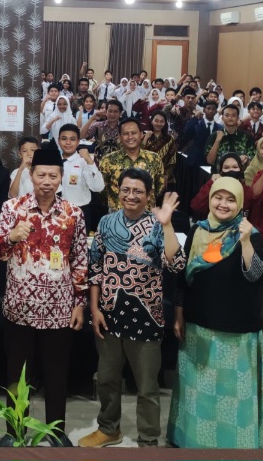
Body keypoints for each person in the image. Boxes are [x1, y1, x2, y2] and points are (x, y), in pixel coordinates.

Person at [0, 147, 87, 448]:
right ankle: (15, 431)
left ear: (61, 178)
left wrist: (79, 303)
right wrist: (11, 237)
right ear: (31, 175)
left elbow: (80, 260)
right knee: (18, 375)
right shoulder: (12, 208)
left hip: (59, 308)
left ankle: (56, 431)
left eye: (53, 176)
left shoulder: (73, 213)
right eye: (41, 175)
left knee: (57, 374)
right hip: (20, 307)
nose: (46, 181)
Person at [167, 178, 263, 448]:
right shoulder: (198, 231)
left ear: (240, 204)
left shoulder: (249, 233)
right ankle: (194, 442)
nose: (223, 204)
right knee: (198, 392)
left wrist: (245, 242)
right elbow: (182, 277)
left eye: (230, 199)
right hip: (198, 327)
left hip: (236, 333)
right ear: (209, 199)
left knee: (231, 396)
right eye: (218, 197)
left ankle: (234, 447)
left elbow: (257, 276)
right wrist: (179, 313)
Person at [80, 169, 171, 448]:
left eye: (138, 191)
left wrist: (167, 225)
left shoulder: (158, 224)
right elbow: (95, 267)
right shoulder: (106, 222)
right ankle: (109, 428)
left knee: (147, 386)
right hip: (109, 313)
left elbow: (176, 264)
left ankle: (148, 439)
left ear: (149, 195)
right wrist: (94, 309)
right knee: (107, 378)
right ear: (118, 191)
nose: (131, 196)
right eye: (126, 190)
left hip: (147, 316)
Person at [99, 118, 166, 211]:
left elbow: (159, 187)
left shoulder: (154, 158)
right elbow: (102, 190)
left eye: (134, 133)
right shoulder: (108, 160)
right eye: (125, 134)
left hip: (145, 214)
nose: (130, 137)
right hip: (118, 214)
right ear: (119, 137)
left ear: (141, 135)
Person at [56, 124, 104, 229]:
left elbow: (98, 187)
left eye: (72, 139)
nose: (68, 143)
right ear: (58, 140)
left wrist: (90, 161)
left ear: (78, 141)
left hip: (80, 212)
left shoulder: (83, 162)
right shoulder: (53, 161)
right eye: (64, 139)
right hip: (56, 212)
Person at [191, 153, 253, 220]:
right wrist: (211, 183)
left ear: (240, 169)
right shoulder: (215, 186)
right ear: (221, 171)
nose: (231, 170)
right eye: (226, 167)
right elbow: (196, 206)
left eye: (235, 167)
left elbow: (249, 213)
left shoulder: (246, 190)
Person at [205, 104, 254, 172]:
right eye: (227, 115)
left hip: (241, 176)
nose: (230, 118)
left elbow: (252, 161)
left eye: (233, 115)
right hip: (219, 175)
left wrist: (246, 158)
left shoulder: (246, 137)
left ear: (238, 118)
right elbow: (209, 161)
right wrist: (217, 141)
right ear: (222, 118)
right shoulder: (214, 136)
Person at [142, 111, 177, 184]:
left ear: (165, 123)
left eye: (162, 121)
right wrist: (145, 138)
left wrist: (166, 175)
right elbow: (139, 153)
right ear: (151, 121)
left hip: (163, 175)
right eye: (156, 121)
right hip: (146, 174)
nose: (158, 124)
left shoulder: (169, 138)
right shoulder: (144, 136)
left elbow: (172, 159)